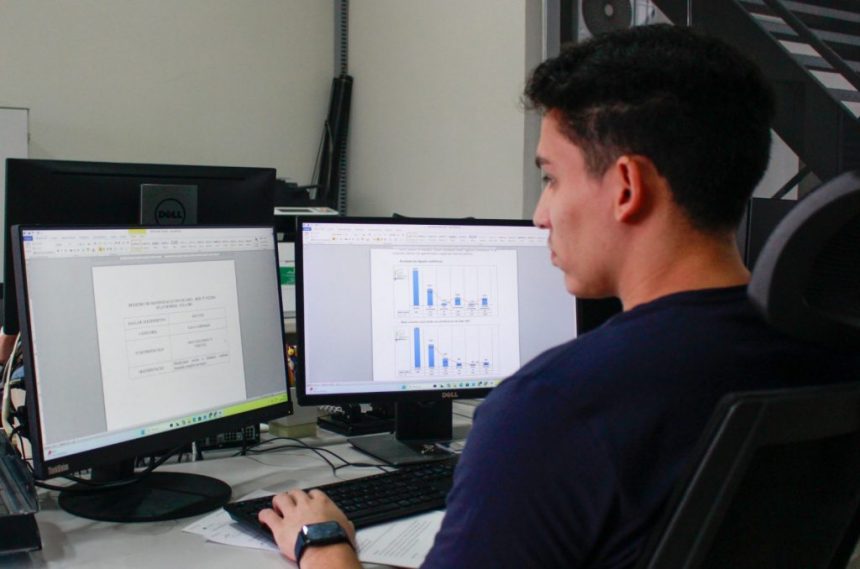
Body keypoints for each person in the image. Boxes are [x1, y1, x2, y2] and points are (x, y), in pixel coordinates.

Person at [257, 24, 860, 568]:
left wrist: (324, 546)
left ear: (626, 187)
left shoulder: (550, 409)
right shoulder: (832, 355)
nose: (540, 215)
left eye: (550, 178)